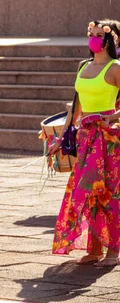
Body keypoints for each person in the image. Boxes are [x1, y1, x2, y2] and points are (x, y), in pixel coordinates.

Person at [49, 20, 120, 267]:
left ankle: (113, 250)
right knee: (87, 192)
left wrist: (112, 116)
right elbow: (76, 109)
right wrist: (59, 139)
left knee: (108, 192)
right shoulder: (83, 66)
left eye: (100, 34)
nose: (94, 38)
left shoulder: (116, 67)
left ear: (112, 40)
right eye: (92, 34)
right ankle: (95, 249)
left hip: (108, 139)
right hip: (86, 138)